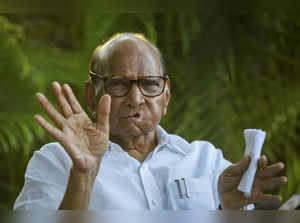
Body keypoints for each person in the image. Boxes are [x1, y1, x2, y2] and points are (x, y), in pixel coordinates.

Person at [13, 33, 287, 210]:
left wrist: (225, 210)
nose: (136, 98)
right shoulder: (55, 162)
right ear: (91, 94)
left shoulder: (207, 160)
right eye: (118, 83)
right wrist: (83, 176)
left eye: (150, 84)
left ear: (166, 96)